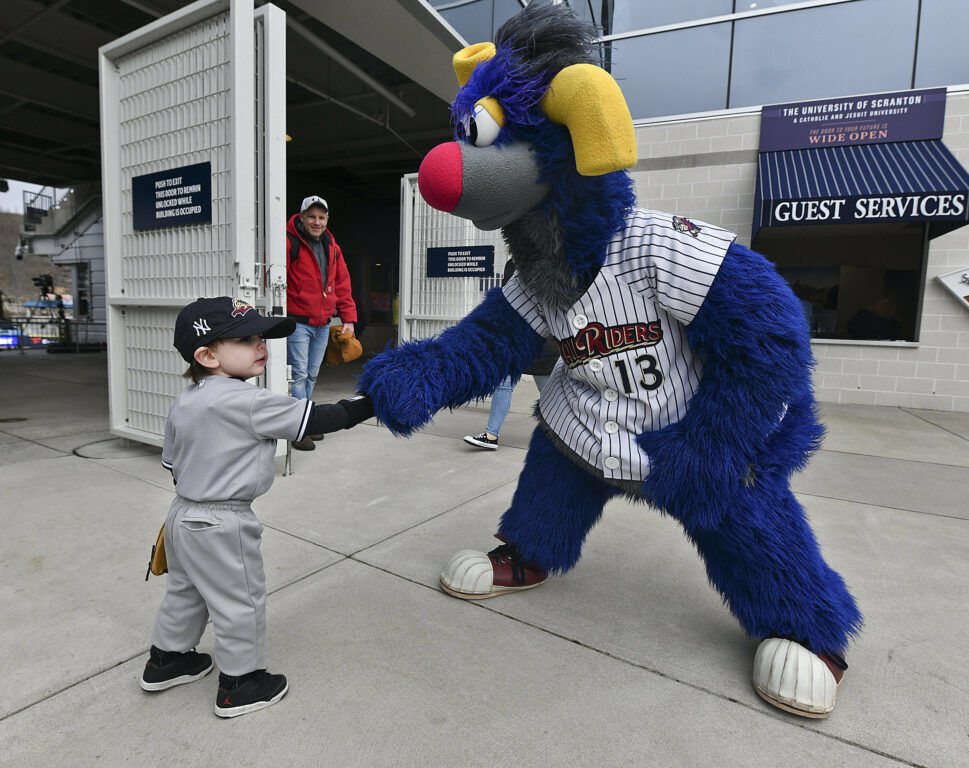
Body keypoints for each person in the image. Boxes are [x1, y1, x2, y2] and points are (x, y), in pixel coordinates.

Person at [141, 296, 372, 718]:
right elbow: (319, 419)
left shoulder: (187, 399)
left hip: (182, 514)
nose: (261, 344)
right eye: (246, 339)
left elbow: (172, 464)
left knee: (185, 591)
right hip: (223, 520)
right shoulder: (244, 400)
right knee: (240, 601)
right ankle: (240, 684)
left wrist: (193, 504)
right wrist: (372, 402)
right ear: (207, 354)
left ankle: (167, 660)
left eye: (260, 336)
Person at [286, 195, 358, 451]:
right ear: (302, 217)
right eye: (312, 217)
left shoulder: (333, 248)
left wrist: (348, 318)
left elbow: (342, 284)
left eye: (321, 217)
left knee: (312, 374)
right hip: (298, 322)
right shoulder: (288, 242)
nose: (316, 222)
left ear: (327, 220)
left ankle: (307, 420)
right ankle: (299, 429)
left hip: (323, 323)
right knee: (298, 375)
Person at [464, 259, 558, 450]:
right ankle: (491, 436)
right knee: (503, 384)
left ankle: (565, 438)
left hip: (541, 337)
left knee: (549, 392)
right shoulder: (513, 264)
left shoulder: (549, 261)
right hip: (516, 337)